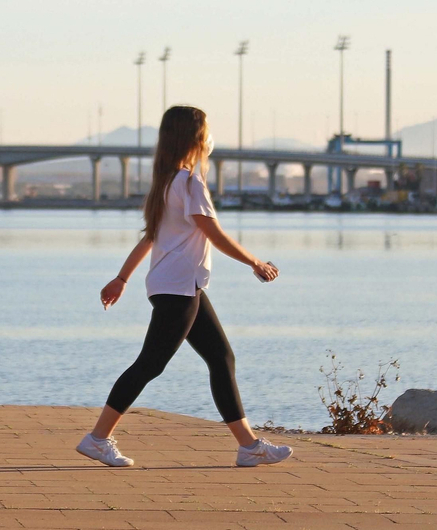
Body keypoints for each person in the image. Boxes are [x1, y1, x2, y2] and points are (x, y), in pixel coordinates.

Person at [75, 105, 293, 469]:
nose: (211, 138)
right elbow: (212, 232)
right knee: (150, 364)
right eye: (207, 131)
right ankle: (97, 439)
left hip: (178, 285)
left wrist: (122, 278)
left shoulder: (169, 182)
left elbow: (150, 239)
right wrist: (255, 262)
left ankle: (249, 446)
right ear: (196, 138)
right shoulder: (190, 182)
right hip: (178, 286)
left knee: (221, 358)